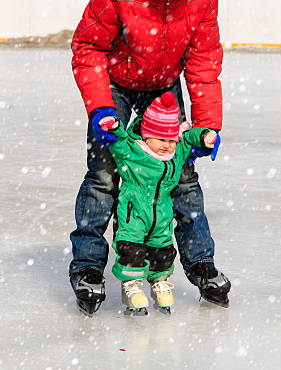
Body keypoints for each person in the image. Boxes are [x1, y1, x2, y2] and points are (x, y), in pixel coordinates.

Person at [69, 0, 231, 315]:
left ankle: (201, 263)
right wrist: (101, 105)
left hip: (164, 93)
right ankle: (87, 267)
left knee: (181, 176)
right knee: (103, 176)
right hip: (115, 85)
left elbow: (204, 62)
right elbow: (88, 47)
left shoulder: (201, 3)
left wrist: (207, 127)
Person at [97, 92, 219, 314]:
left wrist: (205, 137)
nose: (167, 146)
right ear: (147, 136)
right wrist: (112, 127)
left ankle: (159, 282)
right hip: (134, 212)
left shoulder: (175, 154)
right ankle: (131, 286)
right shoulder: (134, 152)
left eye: (171, 140)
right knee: (131, 249)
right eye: (161, 139)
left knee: (162, 250)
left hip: (161, 213)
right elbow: (120, 140)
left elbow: (189, 138)